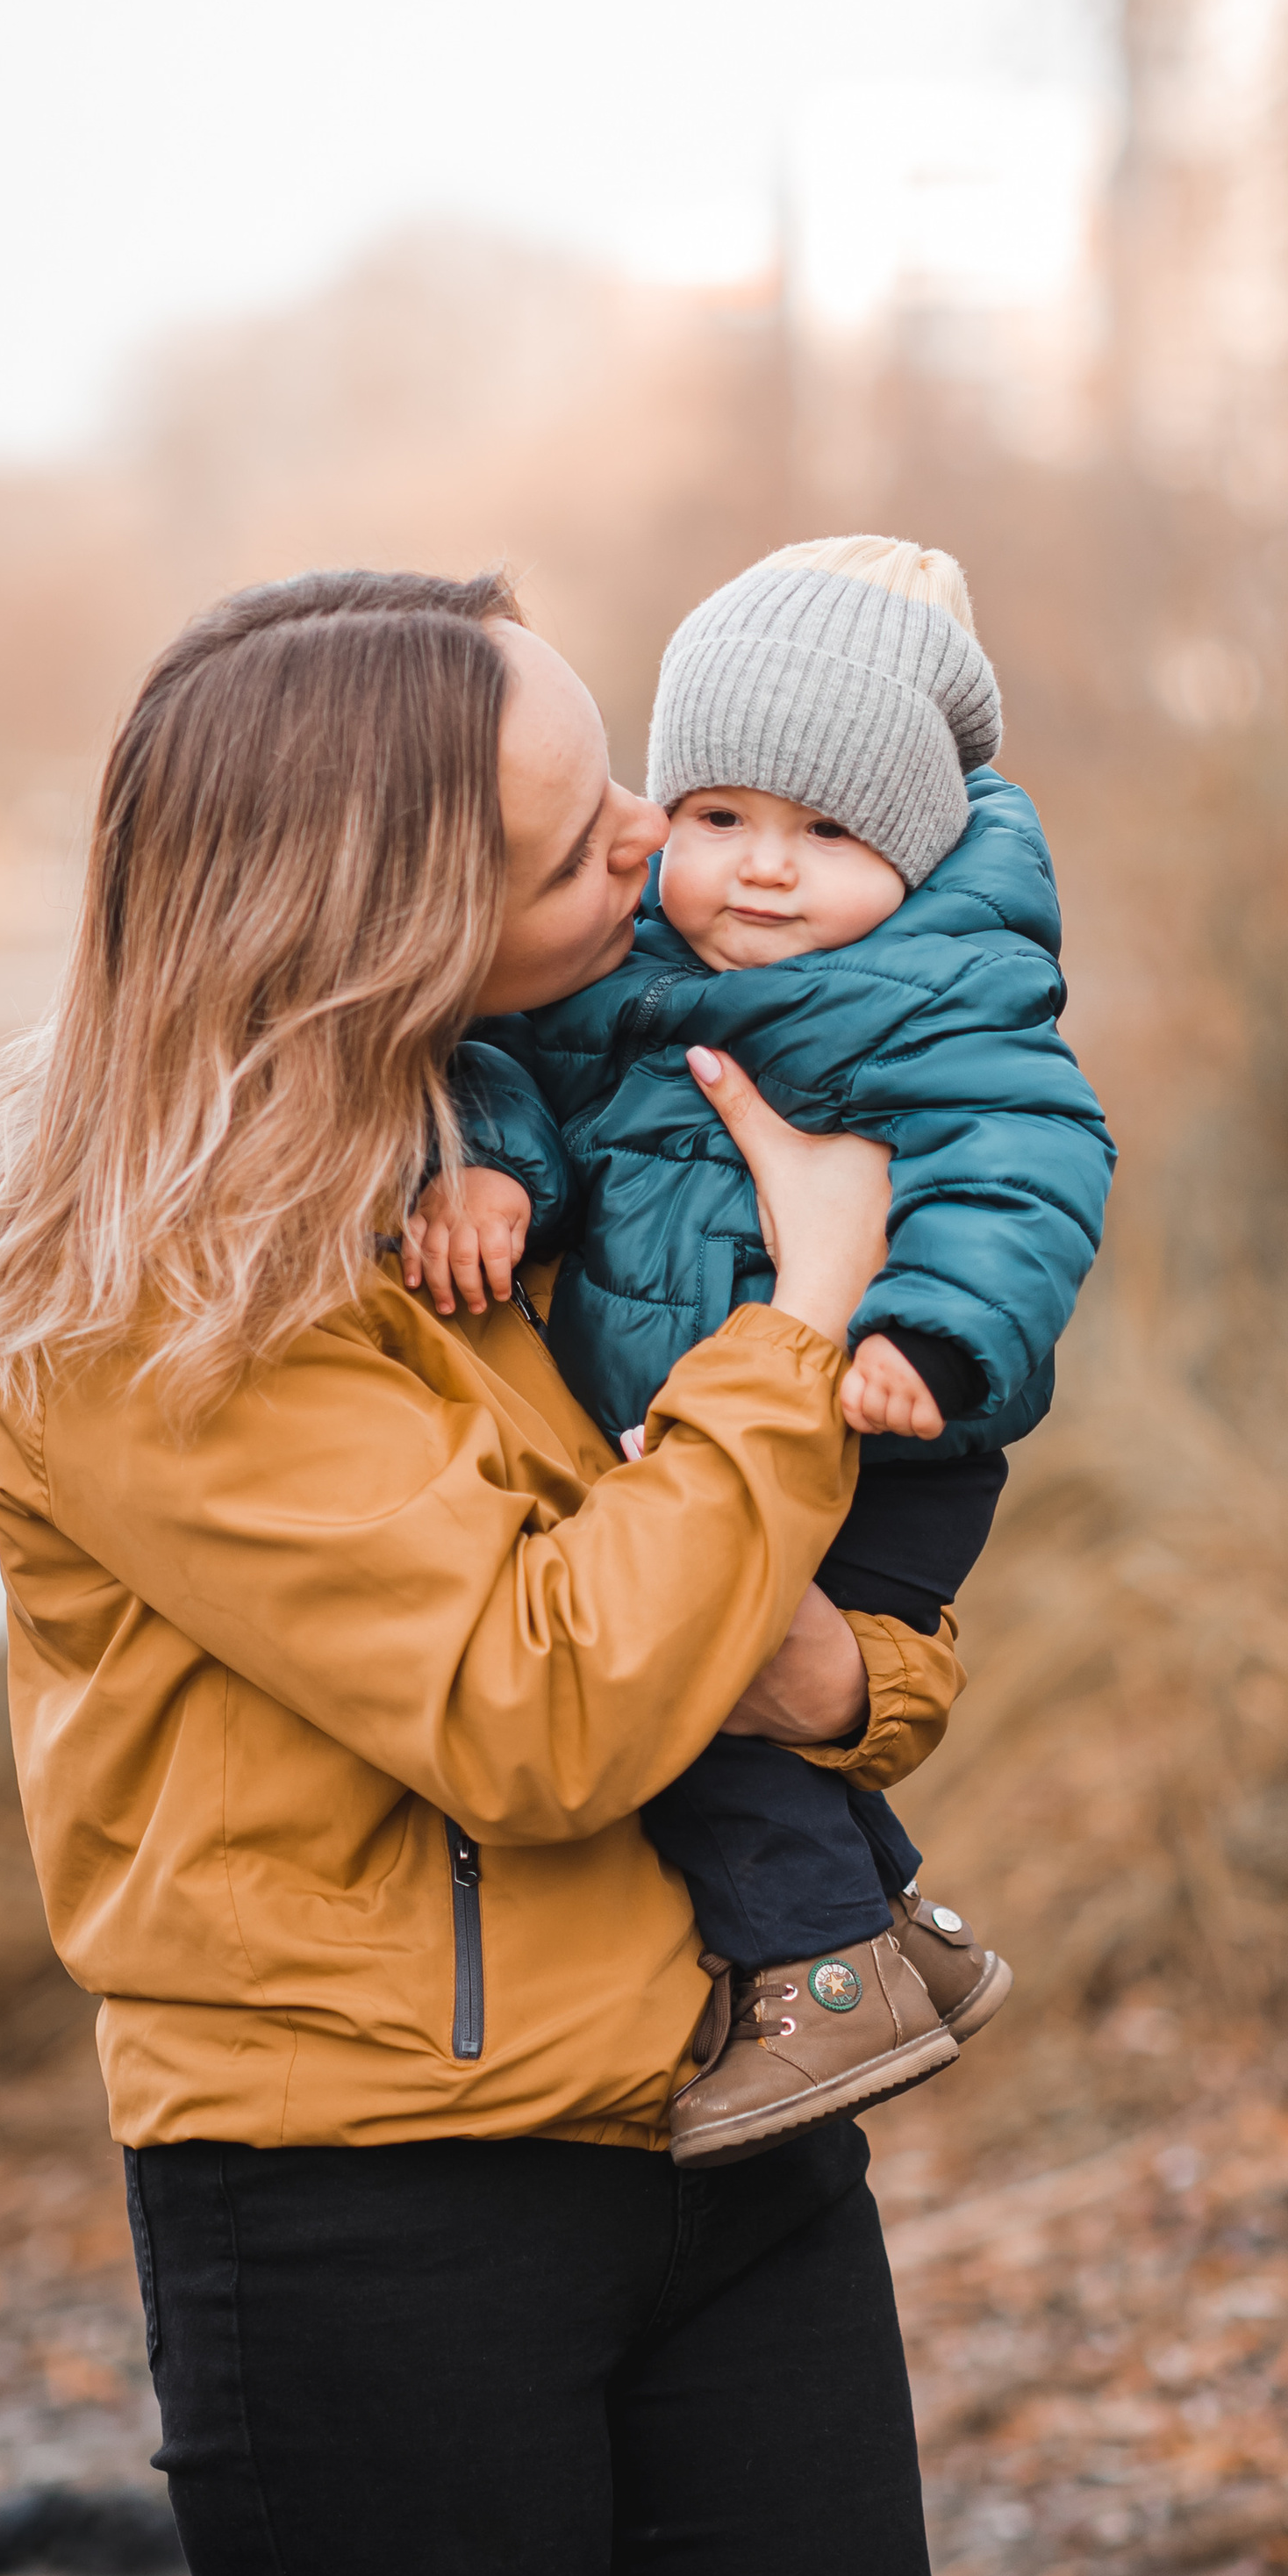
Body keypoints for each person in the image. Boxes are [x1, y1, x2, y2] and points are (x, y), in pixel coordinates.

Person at [0, 566, 954, 2576]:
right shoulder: (152, 1321)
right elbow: (552, 1711)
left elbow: (800, 1624)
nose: (652, 844)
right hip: (377, 2219)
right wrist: (811, 1304)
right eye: (581, 846)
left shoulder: (558, 1147)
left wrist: (846, 1682)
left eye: (622, 790)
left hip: (731, 2121)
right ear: (392, 932)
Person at [419, 537, 1114, 2168]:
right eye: (721, 816)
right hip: (738, 1400)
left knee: (706, 1694)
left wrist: (929, 1334)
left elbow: (1026, 1166)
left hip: (887, 1429)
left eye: (828, 832)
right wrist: (491, 1164)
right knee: (715, 1665)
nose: (764, 871)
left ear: (921, 847)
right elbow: (514, 1060)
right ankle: (899, 1929)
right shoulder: (640, 965)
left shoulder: (941, 992)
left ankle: (820, 1974)